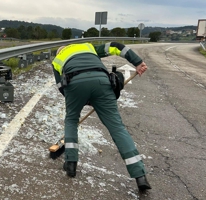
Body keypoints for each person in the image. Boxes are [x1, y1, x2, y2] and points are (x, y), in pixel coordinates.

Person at [51, 42, 151, 191]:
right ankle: (140, 175)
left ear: (60, 52)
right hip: (102, 82)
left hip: (75, 84)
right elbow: (116, 46)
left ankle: (71, 164)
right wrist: (137, 62)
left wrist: (80, 100)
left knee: (71, 120)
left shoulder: (57, 60)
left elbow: (61, 87)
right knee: (117, 127)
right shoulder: (88, 47)